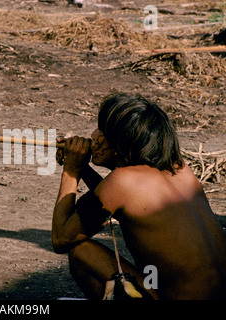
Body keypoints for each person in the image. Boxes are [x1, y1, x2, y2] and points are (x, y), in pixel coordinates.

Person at [52, 93, 226, 300]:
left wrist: (71, 170)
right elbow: (118, 202)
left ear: (119, 145)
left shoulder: (122, 182)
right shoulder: (179, 169)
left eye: (102, 132)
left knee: (83, 253)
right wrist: (83, 168)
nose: (93, 135)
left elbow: (61, 238)